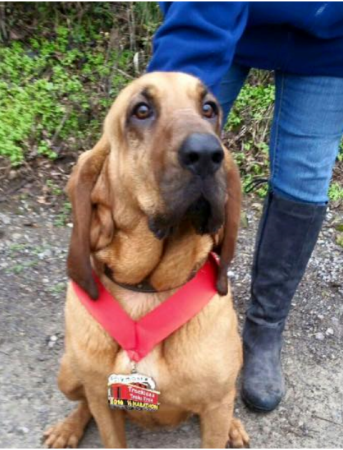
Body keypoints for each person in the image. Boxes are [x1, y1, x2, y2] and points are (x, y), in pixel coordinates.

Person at [148, 2, 343, 412]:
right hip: (217, 13)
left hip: (331, 36)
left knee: (305, 177)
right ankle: (157, 306)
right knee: (174, 153)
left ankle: (265, 327)